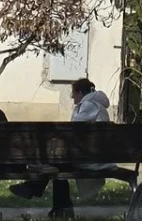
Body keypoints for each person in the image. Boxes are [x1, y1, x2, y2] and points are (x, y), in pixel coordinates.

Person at [9, 79, 113, 212]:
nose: (72, 96)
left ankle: (35, 188)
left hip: (92, 159)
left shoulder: (90, 105)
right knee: (57, 167)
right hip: (94, 156)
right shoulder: (95, 105)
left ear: (80, 93)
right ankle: (60, 207)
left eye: (73, 93)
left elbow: (73, 127)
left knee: (56, 164)